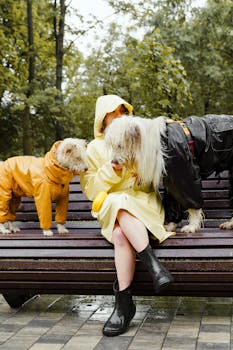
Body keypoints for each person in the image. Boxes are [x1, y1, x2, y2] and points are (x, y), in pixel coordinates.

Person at [80, 94, 175, 337]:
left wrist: (140, 175)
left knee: (122, 231)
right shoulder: (94, 148)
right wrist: (111, 170)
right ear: (103, 118)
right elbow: (92, 191)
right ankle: (154, 269)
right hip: (111, 208)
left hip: (144, 205)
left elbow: (152, 179)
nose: (122, 116)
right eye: (116, 112)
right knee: (117, 204)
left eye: (124, 112)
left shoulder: (137, 137)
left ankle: (124, 306)